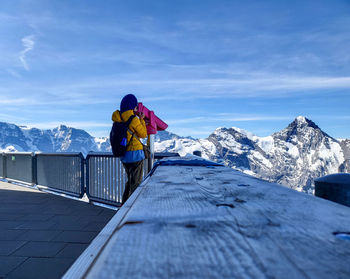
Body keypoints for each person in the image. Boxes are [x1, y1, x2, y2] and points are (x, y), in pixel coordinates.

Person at [112, 94, 147, 204]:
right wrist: (141, 120)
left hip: (124, 155)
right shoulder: (133, 119)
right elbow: (143, 134)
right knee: (136, 183)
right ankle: (132, 209)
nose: (136, 109)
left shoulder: (118, 118)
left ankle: (124, 205)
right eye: (136, 107)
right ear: (132, 106)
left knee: (130, 181)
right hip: (135, 155)